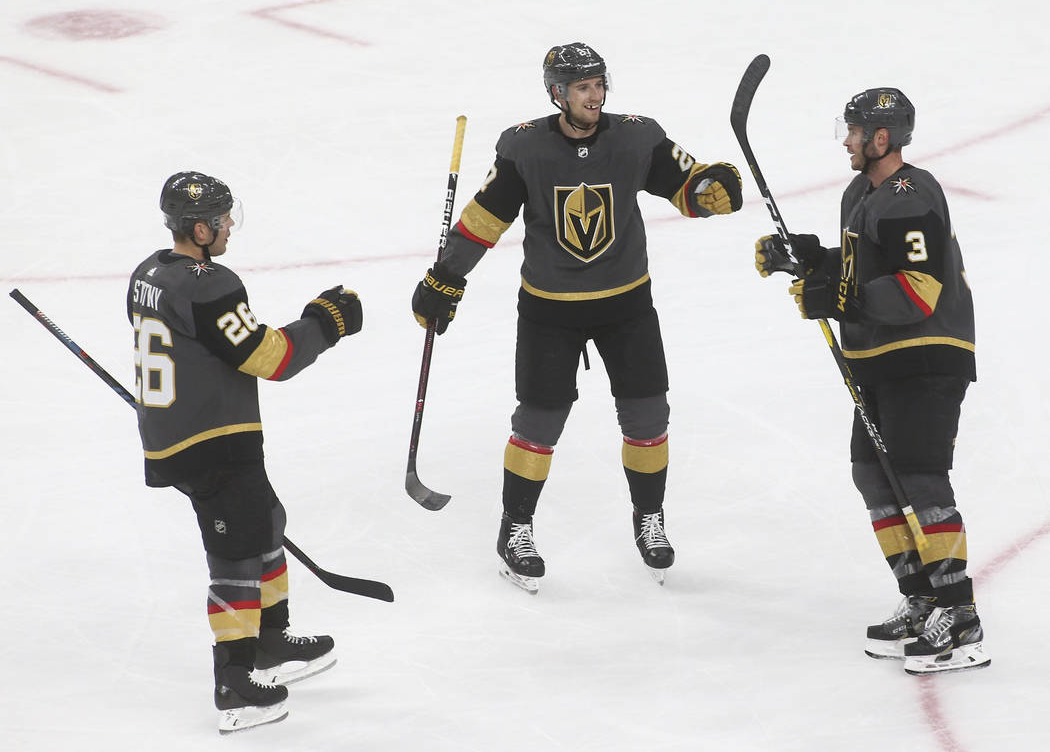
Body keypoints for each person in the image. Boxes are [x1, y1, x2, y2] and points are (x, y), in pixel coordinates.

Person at [411, 42, 742, 593]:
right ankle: (514, 528)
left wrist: (711, 190)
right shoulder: (524, 148)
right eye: (582, 87)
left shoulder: (637, 135)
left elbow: (686, 182)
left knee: (647, 414)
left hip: (626, 305)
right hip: (550, 311)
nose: (595, 95)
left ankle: (648, 518)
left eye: (599, 84)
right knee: (539, 420)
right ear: (557, 94)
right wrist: (447, 275)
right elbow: (483, 219)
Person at [753, 88, 989, 674]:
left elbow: (919, 288)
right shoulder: (861, 194)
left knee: (919, 475)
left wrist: (837, 295)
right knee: (873, 474)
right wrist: (808, 260)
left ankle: (960, 616)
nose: (847, 139)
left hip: (927, 352)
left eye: (855, 130)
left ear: (882, 138)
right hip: (881, 355)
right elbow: (864, 272)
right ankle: (922, 598)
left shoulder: (913, 193)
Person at [128, 171, 363, 732]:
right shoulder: (210, 284)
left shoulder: (147, 274)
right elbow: (269, 357)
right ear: (201, 228)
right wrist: (325, 323)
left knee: (266, 522)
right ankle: (233, 681)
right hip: (211, 441)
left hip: (180, 434)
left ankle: (271, 640)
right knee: (234, 555)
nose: (231, 226)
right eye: (224, 219)